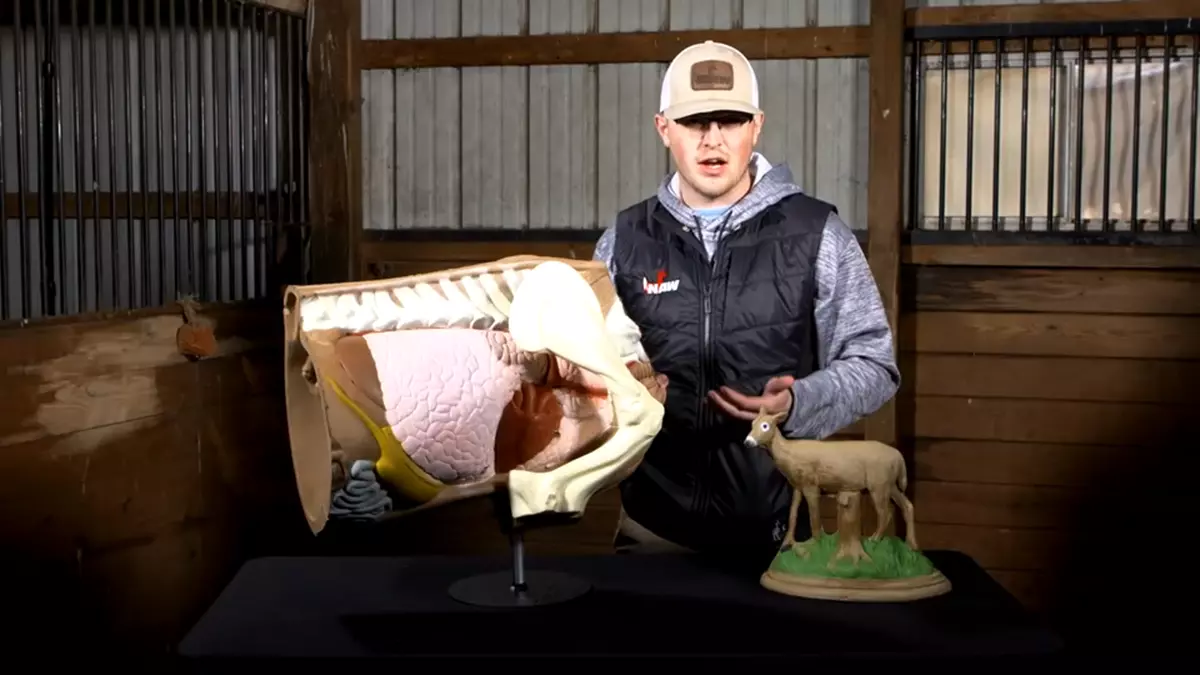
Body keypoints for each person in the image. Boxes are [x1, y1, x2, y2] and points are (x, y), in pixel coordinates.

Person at [592, 40, 901, 571]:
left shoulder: (817, 233)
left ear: (756, 126)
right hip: (653, 529)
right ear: (664, 128)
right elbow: (583, 370)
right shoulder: (623, 241)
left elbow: (875, 364)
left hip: (784, 536)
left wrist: (800, 402)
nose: (713, 139)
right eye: (694, 122)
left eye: (730, 120)